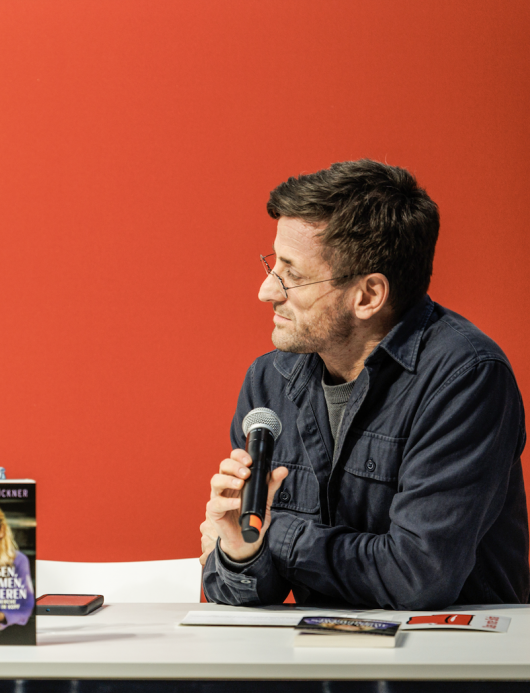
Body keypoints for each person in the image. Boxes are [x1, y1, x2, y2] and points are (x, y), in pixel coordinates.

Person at [199, 160, 528, 609]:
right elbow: (243, 591)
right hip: (315, 659)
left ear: (368, 295)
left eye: (292, 275)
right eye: (271, 265)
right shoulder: (269, 380)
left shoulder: (465, 377)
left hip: (447, 663)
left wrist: (276, 537)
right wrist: (239, 552)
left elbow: (417, 577)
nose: (267, 291)